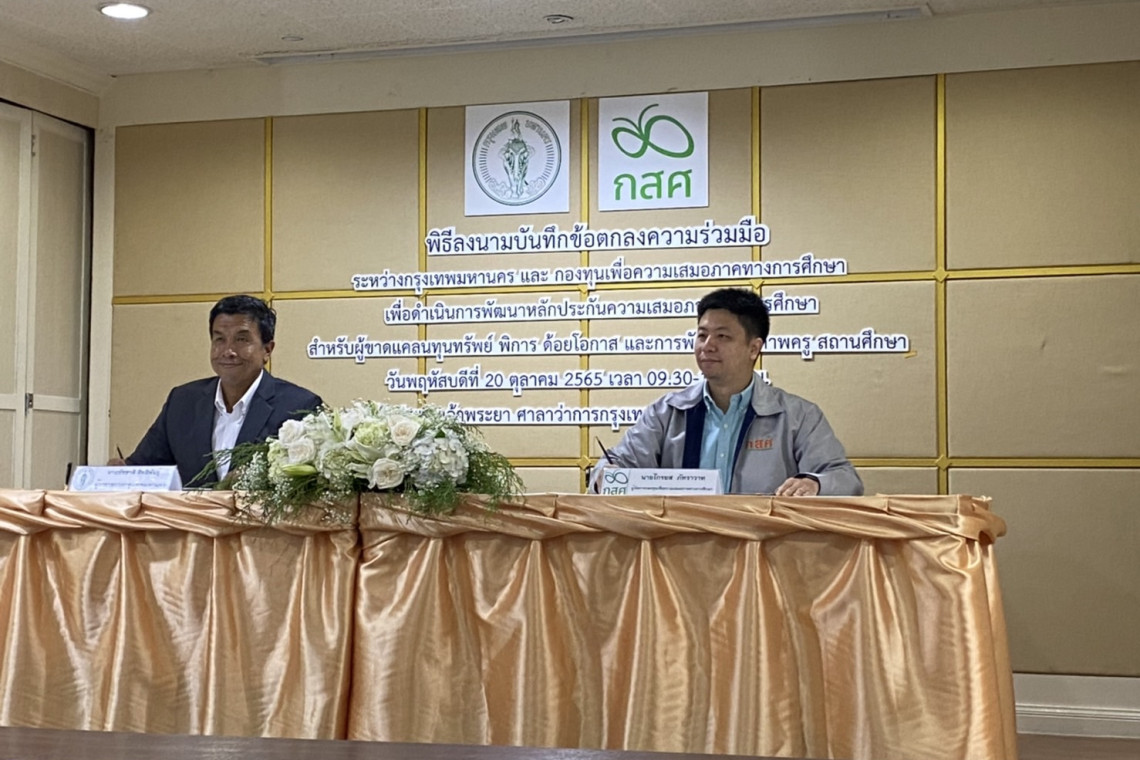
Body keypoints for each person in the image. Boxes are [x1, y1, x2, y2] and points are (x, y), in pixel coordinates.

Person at [606, 287, 862, 496]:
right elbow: (614, 467)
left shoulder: (798, 416)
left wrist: (814, 483)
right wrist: (606, 476)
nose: (707, 346)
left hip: (762, 542)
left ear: (754, 348)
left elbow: (846, 479)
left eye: (722, 337)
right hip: (680, 542)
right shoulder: (666, 413)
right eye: (702, 335)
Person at [111, 295, 322, 487]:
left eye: (241, 339)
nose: (228, 351)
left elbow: (312, 487)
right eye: (219, 339)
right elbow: (145, 468)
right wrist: (121, 474)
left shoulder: (300, 407)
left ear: (267, 349)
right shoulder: (182, 401)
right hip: (190, 518)